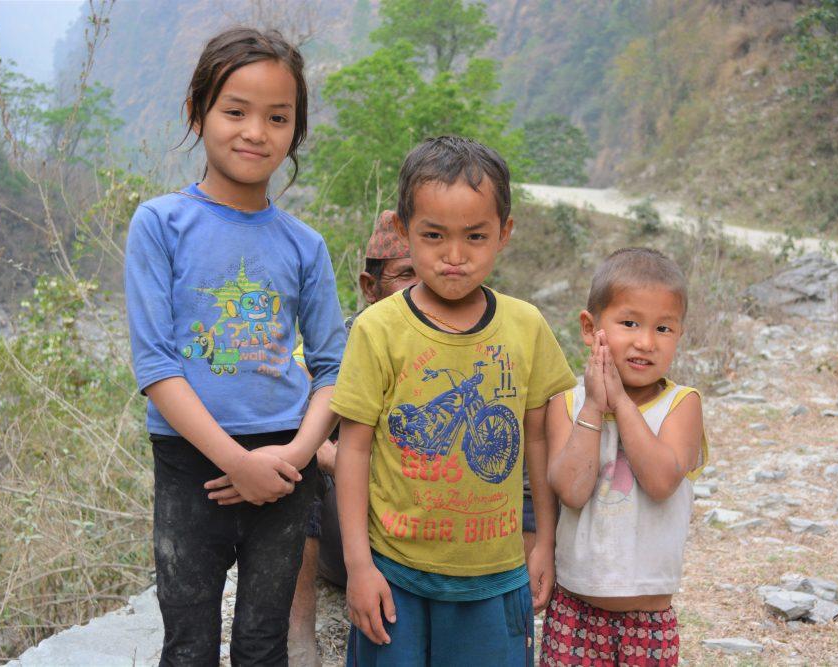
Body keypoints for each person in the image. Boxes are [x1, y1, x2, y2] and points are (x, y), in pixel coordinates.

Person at [124, 27, 345, 665]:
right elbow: (157, 364)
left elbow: (332, 368)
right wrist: (234, 462)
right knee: (189, 642)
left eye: (277, 117)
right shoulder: (161, 224)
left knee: (261, 641)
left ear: (295, 130)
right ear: (198, 113)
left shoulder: (304, 246)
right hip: (191, 459)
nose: (255, 131)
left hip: (285, 465)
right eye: (235, 111)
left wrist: (295, 456)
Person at [332, 136, 576, 666]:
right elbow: (353, 451)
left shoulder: (526, 326)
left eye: (476, 236)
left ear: (504, 234)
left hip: (495, 577)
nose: (455, 256)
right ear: (403, 231)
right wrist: (358, 566)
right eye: (434, 236)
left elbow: (537, 438)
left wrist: (545, 544)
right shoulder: (378, 329)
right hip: (395, 572)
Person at [543, 248, 708, 667]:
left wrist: (619, 398)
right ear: (590, 327)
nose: (646, 342)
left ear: (679, 335)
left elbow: (660, 481)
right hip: (573, 613)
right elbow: (572, 491)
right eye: (629, 323)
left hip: (648, 620)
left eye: (664, 328)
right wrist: (595, 407)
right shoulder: (567, 405)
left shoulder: (681, 405)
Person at [287, 210, 418, 666]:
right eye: (406, 275)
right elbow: (298, 422)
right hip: (348, 536)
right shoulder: (336, 346)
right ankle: (298, 633)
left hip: (424, 528)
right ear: (369, 286)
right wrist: (333, 458)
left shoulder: (450, 345)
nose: (420, 287)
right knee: (295, 466)